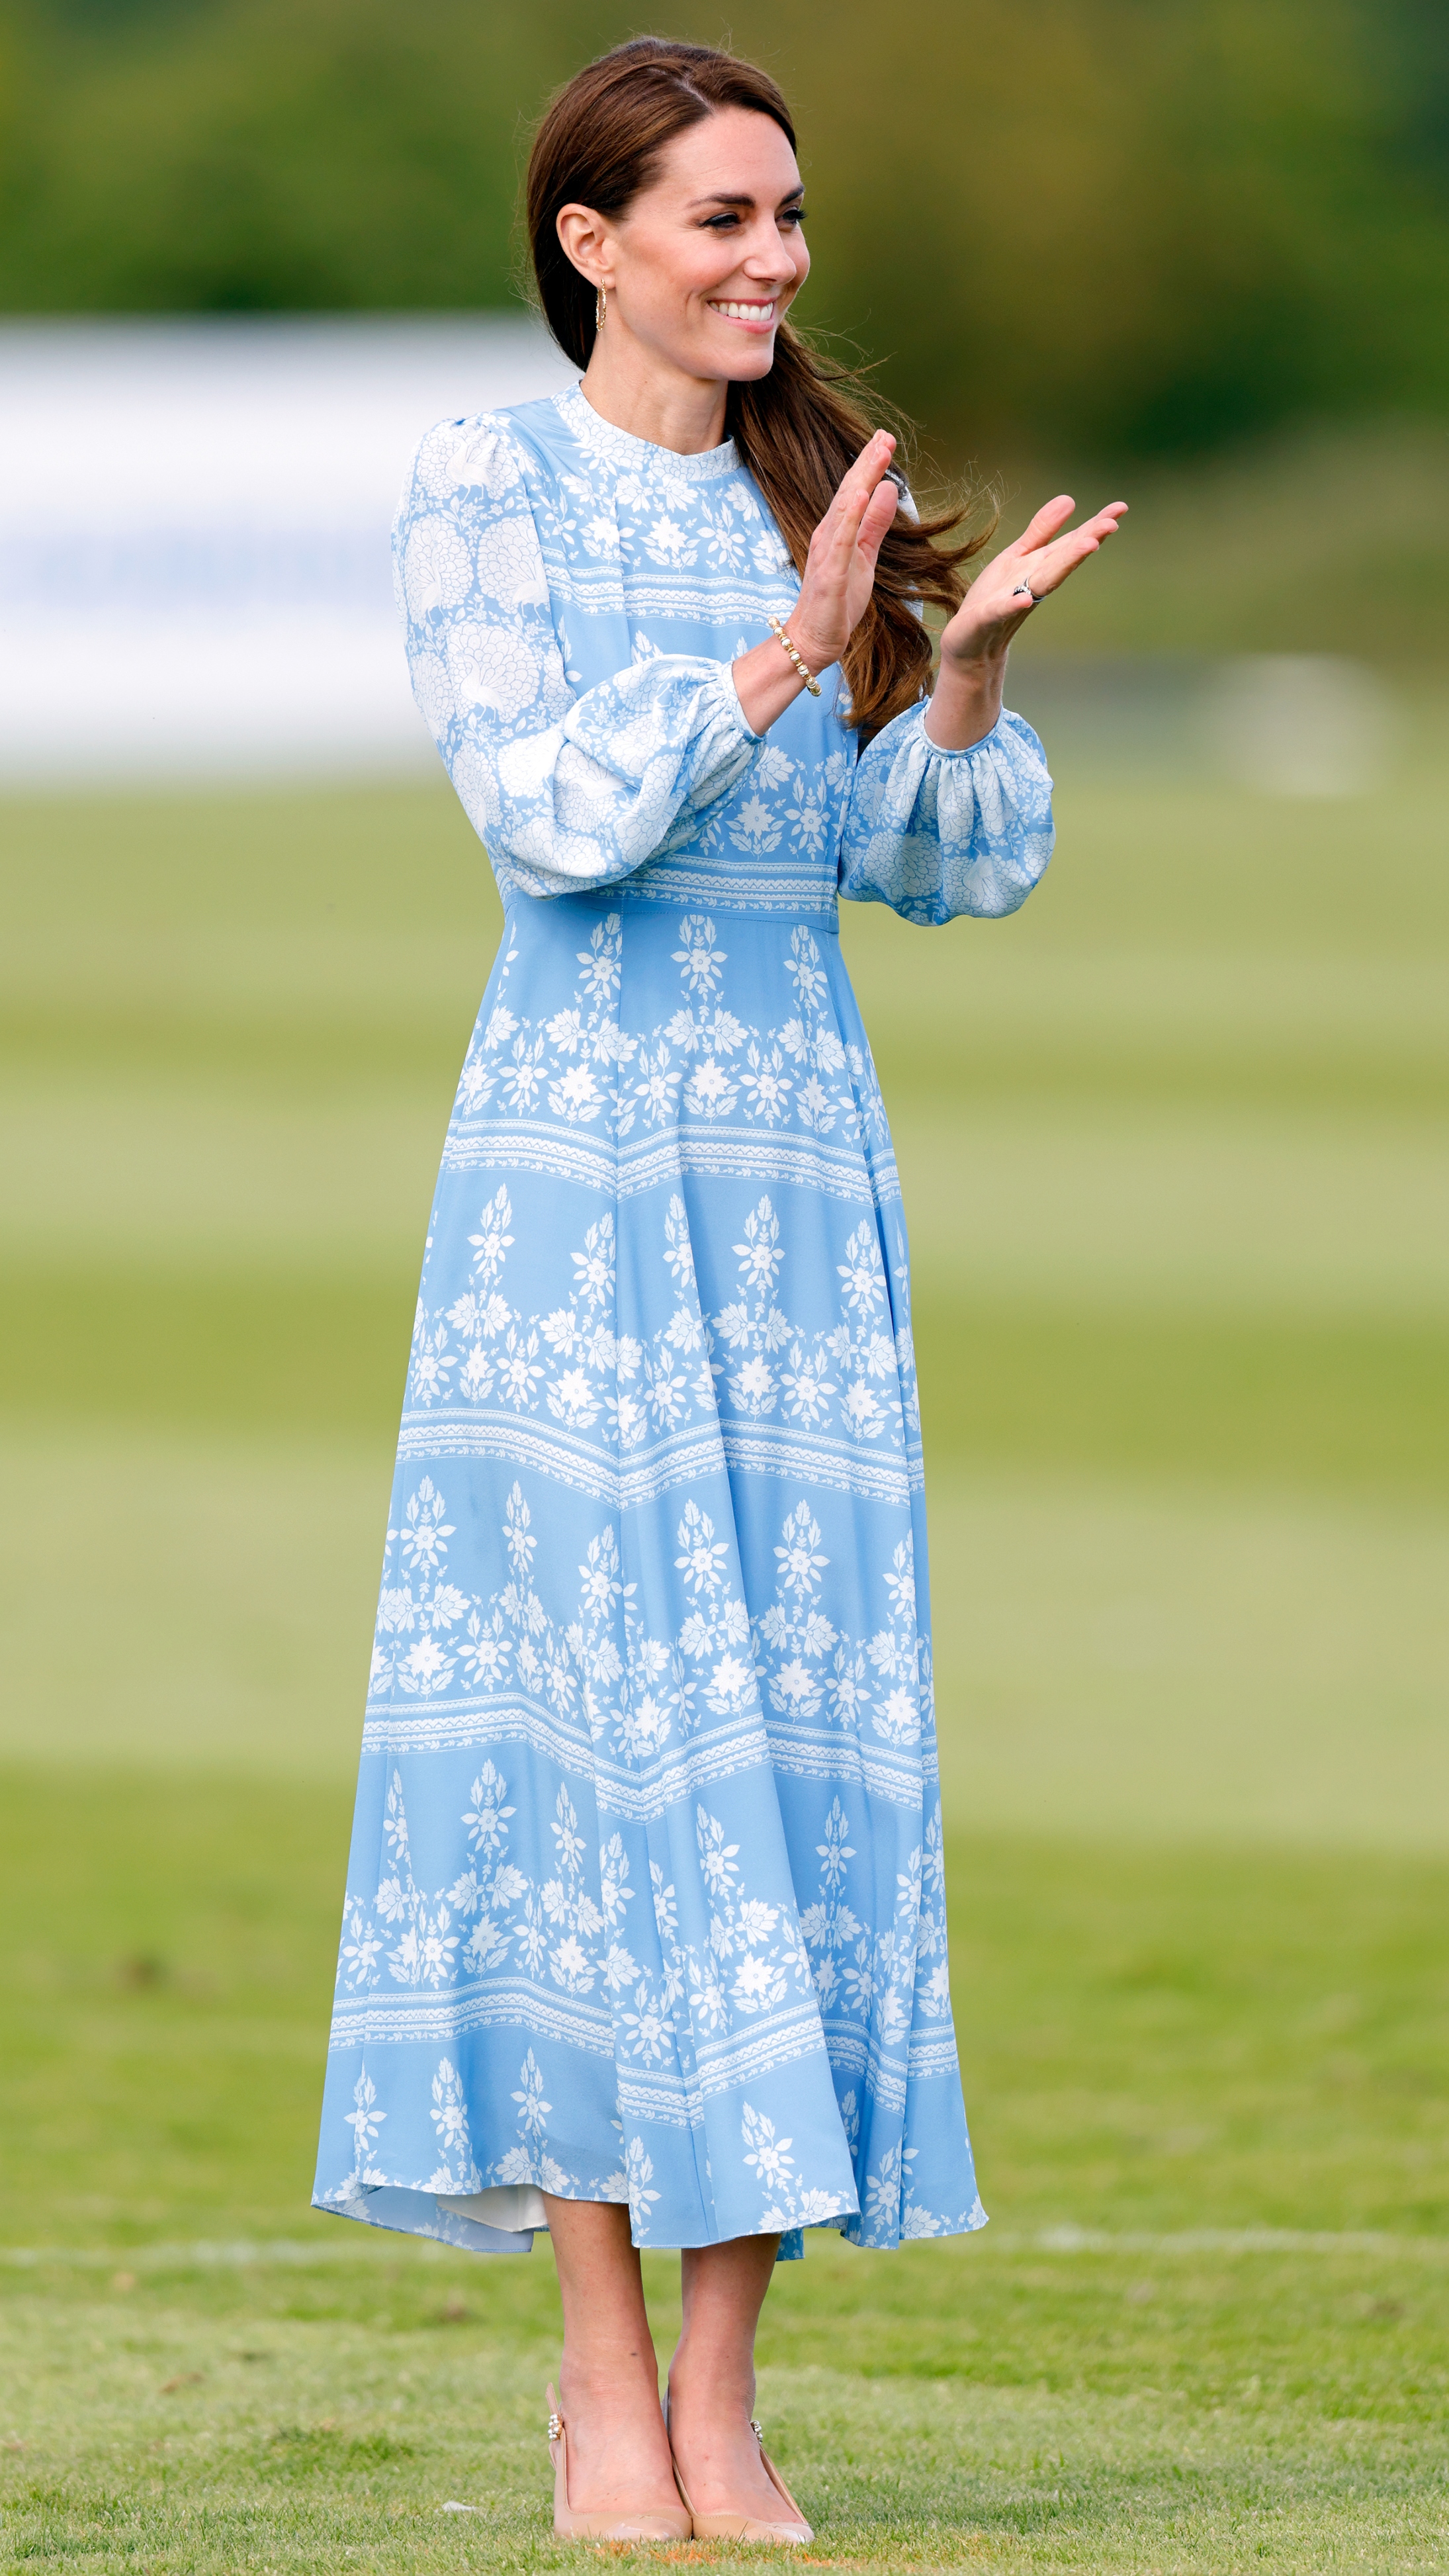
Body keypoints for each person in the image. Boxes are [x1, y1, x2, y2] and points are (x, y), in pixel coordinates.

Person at [312, 35, 1125, 2546]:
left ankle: (731, 2392)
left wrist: (949, 655)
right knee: (591, 1739)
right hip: (576, 1170)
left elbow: (934, 866)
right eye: (725, 219)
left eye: (791, 220)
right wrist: (781, 650)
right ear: (594, 239)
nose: (776, 261)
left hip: (792, 1172)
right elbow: (550, 814)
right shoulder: (491, 486)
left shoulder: (818, 493)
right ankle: (593, 2384)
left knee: (787, 1742)